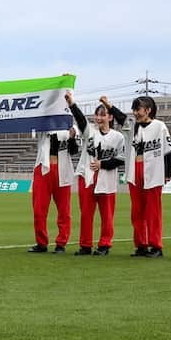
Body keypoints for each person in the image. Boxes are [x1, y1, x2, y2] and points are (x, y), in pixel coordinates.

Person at [69, 95, 126, 256]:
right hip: (86, 177)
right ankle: (85, 245)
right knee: (86, 213)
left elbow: (121, 159)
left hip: (106, 179)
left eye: (103, 115)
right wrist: (71, 103)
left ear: (110, 117)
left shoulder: (118, 137)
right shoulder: (90, 132)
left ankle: (105, 244)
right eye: (97, 115)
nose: (99, 118)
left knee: (107, 214)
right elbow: (80, 120)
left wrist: (103, 164)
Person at [29, 93, 79, 253]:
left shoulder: (70, 125)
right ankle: (41, 243)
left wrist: (71, 138)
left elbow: (74, 151)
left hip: (62, 170)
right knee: (39, 210)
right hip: (43, 169)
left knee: (64, 210)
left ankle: (61, 243)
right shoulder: (43, 122)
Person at [127, 95, 171, 258]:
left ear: (148, 110)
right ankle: (141, 245)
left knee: (153, 211)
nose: (135, 113)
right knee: (137, 212)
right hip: (135, 170)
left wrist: (168, 173)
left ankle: (156, 246)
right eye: (134, 110)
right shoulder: (135, 127)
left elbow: (168, 152)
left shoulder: (160, 126)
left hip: (153, 171)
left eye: (138, 109)